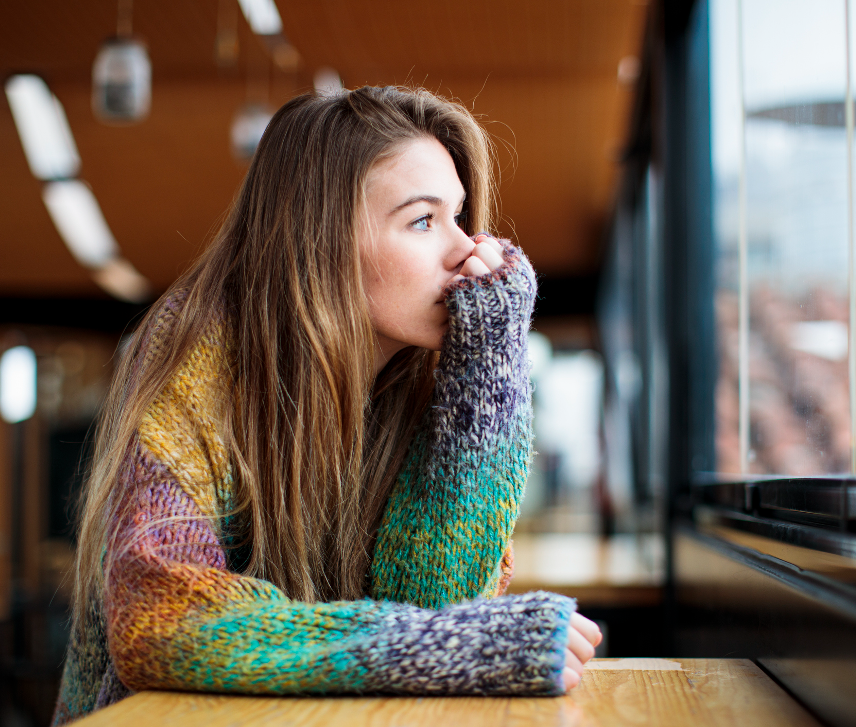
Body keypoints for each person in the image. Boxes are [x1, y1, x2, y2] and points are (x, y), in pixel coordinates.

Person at [52, 85, 601, 725]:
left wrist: (489, 361)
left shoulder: (418, 379)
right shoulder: (197, 358)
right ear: (322, 241)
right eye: (423, 221)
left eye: (458, 216)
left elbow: (430, 602)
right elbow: (165, 619)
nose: (466, 251)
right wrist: (466, 644)